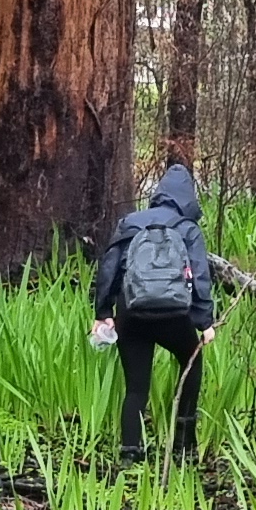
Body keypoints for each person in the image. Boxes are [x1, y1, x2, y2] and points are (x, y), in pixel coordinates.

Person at [91, 150, 219, 463]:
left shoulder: (130, 222)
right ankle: (184, 448)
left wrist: (103, 314)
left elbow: (109, 269)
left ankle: (130, 454)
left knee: (136, 386)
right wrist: (204, 322)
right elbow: (199, 275)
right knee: (191, 366)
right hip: (175, 317)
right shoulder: (187, 228)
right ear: (188, 198)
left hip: (131, 314)